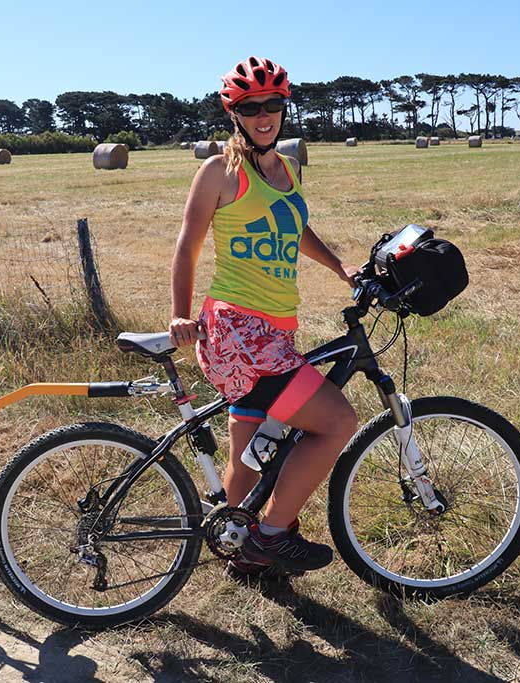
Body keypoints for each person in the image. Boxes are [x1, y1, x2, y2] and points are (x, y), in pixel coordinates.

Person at [169, 57, 359, 580]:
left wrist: (340, 265)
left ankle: (238, 544)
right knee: (336, 421)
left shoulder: (288, 170)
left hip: (274, 330)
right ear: (235, 113)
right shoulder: (219, 172)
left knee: (251, 450)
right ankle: (272, 534)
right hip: (237, 329)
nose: (264, 115)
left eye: (273, 104)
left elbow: (295, 229)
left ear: (283, 109)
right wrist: (179, 316)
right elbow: (187, 249)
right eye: (251, 107)